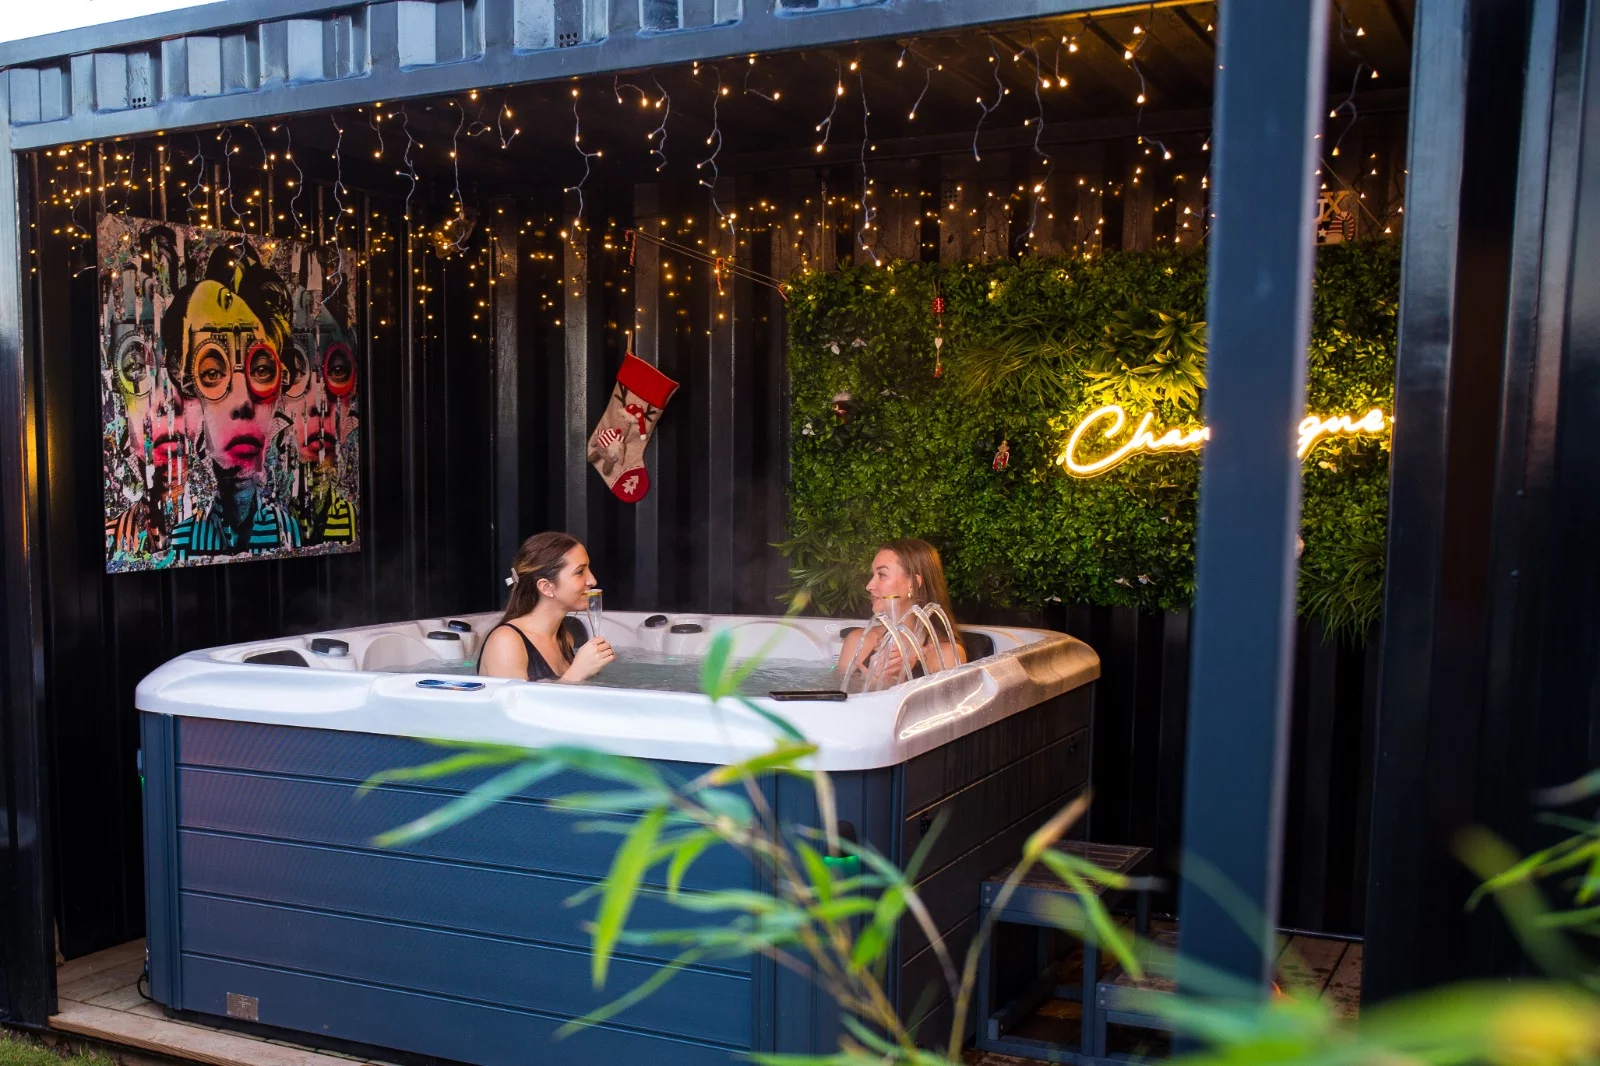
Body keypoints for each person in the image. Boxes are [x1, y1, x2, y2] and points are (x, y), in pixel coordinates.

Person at [163, 240, 303, 559]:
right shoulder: (182, 541)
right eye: (212, 373)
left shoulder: (289, 533)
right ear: (190, 393)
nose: (243, 404)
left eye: (262, 371)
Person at [478, 532, 616, 683]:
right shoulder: (506, 642)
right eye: (580, 572)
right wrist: (577, 673)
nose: (592, 580)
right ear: (546, 587)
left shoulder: (565, 639)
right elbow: (512, 699)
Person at [836, 538, 968, 687]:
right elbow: (834, 696)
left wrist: (905, 678)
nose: (869, 586)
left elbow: (945, 702)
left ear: (913, 584)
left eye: (882, 575)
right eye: (873, 575)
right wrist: (874, 682)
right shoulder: (858, 641)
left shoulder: (945, 654)